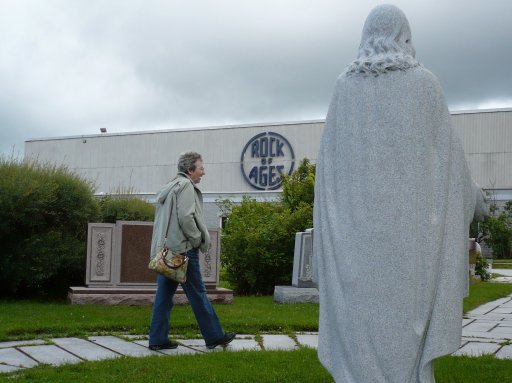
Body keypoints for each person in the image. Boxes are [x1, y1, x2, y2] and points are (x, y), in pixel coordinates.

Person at [313, 5, 488, 383]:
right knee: (407, 323)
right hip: (412, 242)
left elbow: (327, 171)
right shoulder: (425, 83)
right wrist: (471, 198)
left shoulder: (345, 86)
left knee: (359, 322)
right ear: (405, 36)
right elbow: (449, 163)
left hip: (355, 242)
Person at [148, 151, 235, 350]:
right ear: (190, 169)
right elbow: (186, 217)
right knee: (198, 294)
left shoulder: (171, 186)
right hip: (184, 250)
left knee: (163, 297)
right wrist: (197, 240)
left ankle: (157, 339)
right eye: (201, 168)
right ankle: (214, 336)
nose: (203, 173)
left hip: (169, 251)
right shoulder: (186, 186)